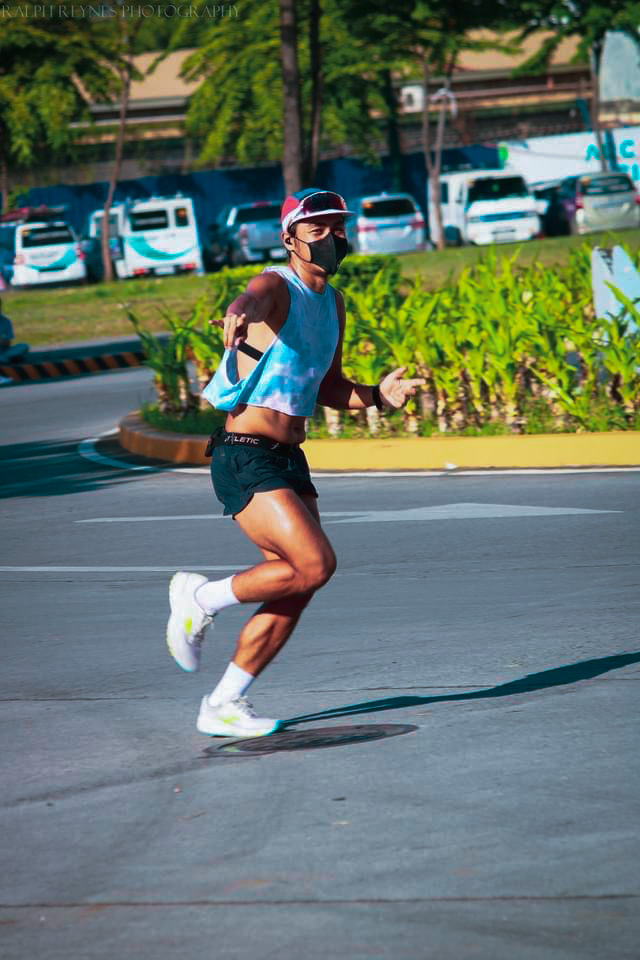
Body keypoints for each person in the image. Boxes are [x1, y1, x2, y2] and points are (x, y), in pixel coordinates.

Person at [166, 189, 424, 738]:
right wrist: (237, 316)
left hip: (288, 458)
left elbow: (328, 386)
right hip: (244, 455)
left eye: (338, 228)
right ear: (289, 240)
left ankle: (223, 703)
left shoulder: (333, 303)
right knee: (315, 564)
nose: (332, 237)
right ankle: (200, 597)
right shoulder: (275, 287)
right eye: (318, 229)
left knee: (297, 585)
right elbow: (250, 299)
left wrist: (379, 396)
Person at [0, 297, 29, 365]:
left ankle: (4, 358)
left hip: (3, 350)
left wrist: (2, 340)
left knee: (24, 346)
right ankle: (5, 359)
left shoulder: (5, 321)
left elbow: (7, 343)